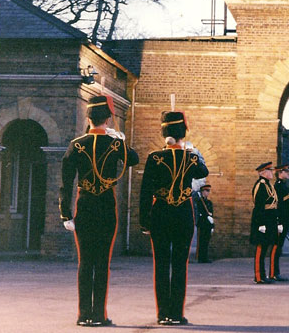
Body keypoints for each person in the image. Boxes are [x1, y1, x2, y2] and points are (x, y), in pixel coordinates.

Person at [59, 95, 139, 327]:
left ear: (88, 117)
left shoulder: (77, 144)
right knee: (102, 263)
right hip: (106, 207)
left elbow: (65, 182)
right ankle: (99, 314)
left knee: (85, 262)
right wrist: (120, 139)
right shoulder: (115, 143)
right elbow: (133, 159)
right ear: (108, 118)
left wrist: (66, 213)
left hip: (84, 206)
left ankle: (84, 315)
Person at [140, 111, 208, 326]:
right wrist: (192, 151)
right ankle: (176, 314)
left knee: (161, 264)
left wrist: (144, 221)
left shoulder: (154, 158)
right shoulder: (192, 157)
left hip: (160, 213)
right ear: (183, 132)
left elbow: (145, 192)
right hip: (183, 215)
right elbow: (203, 171)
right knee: (180, 264)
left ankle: (162, 313)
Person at [251, 161, 281, 284]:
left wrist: (277, 222)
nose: (272, 173)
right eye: (269, 171)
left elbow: (274, 204)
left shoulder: (269, 185)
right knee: (260, 248)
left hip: (270, 218)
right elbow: (259, 205)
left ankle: (264, 275)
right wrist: (260, 223)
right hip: (262, 218)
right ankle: (258, 276)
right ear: (263, 172)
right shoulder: (260, 185)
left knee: (266, 246)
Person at [271, 164, 289, 281]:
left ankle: (276, 272)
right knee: (276, 248)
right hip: (280, 221)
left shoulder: (284, 186)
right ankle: (274, 273)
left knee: (278, 247)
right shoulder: (279, 187)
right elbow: (278, 206)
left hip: (285, 221)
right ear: (280, 173)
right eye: (286, 171)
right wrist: (279, 221)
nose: (288, 173)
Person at [194, 184, 214, 263]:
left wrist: (212, 223)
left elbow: (212, 212)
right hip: (202, 223)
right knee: (201, 241)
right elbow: (198, 212)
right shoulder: (199, 201)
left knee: (206, 241)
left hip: (208, 224)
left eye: (208, 191)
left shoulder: (208, 202)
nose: (208, 193)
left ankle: (204, 257)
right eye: (207, 191)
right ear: (202, 191)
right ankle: (200, 257)